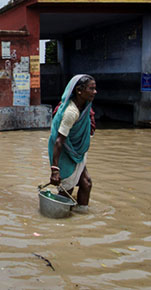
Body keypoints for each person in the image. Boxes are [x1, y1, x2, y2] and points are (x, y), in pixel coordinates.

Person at [48, 74, 97, 212]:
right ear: (79, 91)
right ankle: (59, 217)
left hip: (77, 152)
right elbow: (58, 141)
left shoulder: (85, 107)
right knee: (66, 189)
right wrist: (55, 170)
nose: (95, 92)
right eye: (91, 88)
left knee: (86, 183)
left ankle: (82, 215)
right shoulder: (71, 112)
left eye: (95, 88)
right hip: (65, 152)